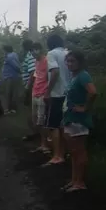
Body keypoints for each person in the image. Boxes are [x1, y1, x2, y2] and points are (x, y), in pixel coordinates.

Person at [61, 50, 97, 193]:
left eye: (73, 61)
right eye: (68, 61)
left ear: (80, 62)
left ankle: (80, 182)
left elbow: (93, 92)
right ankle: (74, 180)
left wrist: (84, 108)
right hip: (70, 118)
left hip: (79, 120)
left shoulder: (83, 76)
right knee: (74, 152)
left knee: (79, 151)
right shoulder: (74, 77)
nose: (69, 64)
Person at [43, 34, 71, 166]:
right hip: (69, 93)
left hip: (57, 94)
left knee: (53, 126)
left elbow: (54, 72)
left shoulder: (51, 54)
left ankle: (57, 155)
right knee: (64, 125)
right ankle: (65, 153)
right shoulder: (68, 53)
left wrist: (48, 91)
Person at [29, 42, 51, 154]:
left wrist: (47, 92)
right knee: (35, 120)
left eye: (34, 50)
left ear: (39, 50)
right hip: (35, 92)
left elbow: (50, 77)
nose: (33, 53)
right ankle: (43, 142)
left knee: (41, 120)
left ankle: (45, 144)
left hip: (43, 92)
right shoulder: (36, 61)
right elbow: (36, 75)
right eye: (31, 51)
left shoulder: (47, 61)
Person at [1, 44, 22, 113]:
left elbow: (16, 66)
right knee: (13, 93)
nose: (3, 52)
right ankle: (12, 108)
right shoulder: (14, 55)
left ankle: (9, 109)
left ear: (6, 50)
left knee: (9, 93)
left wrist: (20, 71)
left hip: (10, 77)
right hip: (13, 77)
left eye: (3, 50)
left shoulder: (9, 57)